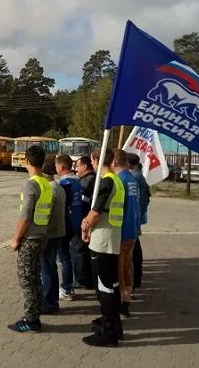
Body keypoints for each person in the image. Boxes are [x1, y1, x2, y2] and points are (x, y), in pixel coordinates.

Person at [81, 147, 124, 347]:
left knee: (104, 288)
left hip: (103, 240)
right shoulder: (117, 180)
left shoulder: (107, 181)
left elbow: (96, 212)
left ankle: (108, 333)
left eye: (92, 160)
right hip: (111, 238)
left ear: (97, 159)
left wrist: (85, 225)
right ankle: (114, 325)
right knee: (112, 286)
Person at [7, 145, 51, 333]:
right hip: (42, 236)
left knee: (27, 278)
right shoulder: (46, 183)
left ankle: (31, 319)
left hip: (30, 238)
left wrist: (16, 238)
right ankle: (36, 312)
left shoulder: (31, 184)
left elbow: (25, 215)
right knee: (35, 276)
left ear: (26, 161)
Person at [113, 150, 140, 317]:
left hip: (122, 231)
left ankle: (122, 303)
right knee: (126, 269)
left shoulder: (119, 180)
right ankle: (127, 299)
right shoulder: (132, 179)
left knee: (119, 271)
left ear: (115, 161)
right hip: (132, 230)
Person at [55, 154, 84, 300]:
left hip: (66, 224)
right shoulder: (78, 182)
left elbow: (61, 206)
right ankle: (70, 285)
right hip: (77, 222)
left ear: (61, 167)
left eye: (56, 166)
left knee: (64, 258)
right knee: (69, 256)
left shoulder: (65, 184)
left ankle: (66, 288)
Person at [40, 156, 66, 315]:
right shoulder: (59, 187)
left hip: (50, 234)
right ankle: (53, 301)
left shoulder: (49, 190)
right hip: (59, 232)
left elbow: (46, 215)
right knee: (51, 267)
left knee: (46, 269)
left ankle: (48, 302)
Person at [127, 154, 150, 291]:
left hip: (133, 218)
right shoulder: (138, 176)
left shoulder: (134, 178)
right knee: (135, 248)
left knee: (133, 250)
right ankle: (136, 278)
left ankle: (135, 280)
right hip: (137, 216)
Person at [73, 156, 95, 288]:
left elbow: (83, 203)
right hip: (87, 221)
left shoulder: (87, 181)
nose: (75, 169)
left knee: (79, 250)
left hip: (85, 221)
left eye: (77, 166)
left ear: (85, 166)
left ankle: (82, 279)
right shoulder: (91, 179)